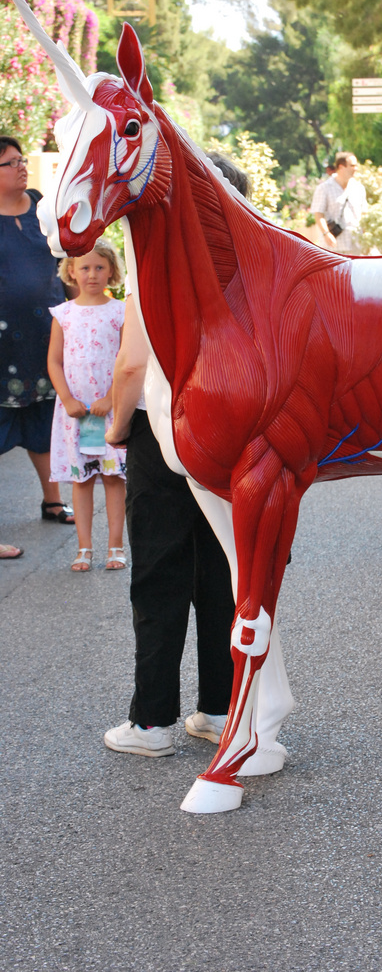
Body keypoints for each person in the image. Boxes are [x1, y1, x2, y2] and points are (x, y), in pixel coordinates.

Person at [102, 161, 252, 756]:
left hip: (162, 431)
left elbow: (133, 365)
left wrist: (116, 427)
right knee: (224, 575)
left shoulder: (160, 264)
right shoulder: (255, 263)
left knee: (159, 576)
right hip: (233, 432)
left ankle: (152, 721)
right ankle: (220, 707)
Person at [0, 136, 74, 525]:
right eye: (11, 163)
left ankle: (53, 503)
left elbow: (69, 262)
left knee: (45, 422)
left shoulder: (42, 208)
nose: (21, 166)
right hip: (3, 349)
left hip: (47, 340)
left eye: (21, 160)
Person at [47, 240, 127, 571]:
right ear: (71, 272)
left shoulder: (121, 311)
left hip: (110, 411)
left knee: (112, 478)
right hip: (75, 413)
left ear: (111, 271)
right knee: (80, 481)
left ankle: (115, 547)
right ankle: (84, 548)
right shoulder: (63, 314)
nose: (92, 274)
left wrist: (112, 398)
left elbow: (127, 360)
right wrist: (67, 398)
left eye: (99, 267)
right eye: (84, 267)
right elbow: (54, 362)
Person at [311, 152, 367, 254]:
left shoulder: (359, 188)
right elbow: (318, 214)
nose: (356, 168)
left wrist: (366, 237)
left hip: (355, 245)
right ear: (341, 167)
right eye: (352, 166)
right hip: (333, 245)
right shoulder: (324, 188)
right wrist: (326, 233)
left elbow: (364, 214)